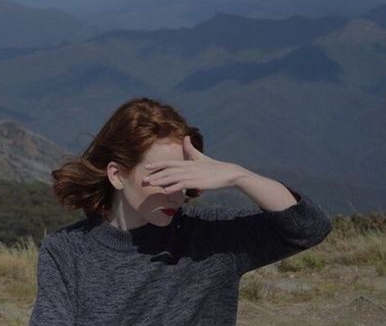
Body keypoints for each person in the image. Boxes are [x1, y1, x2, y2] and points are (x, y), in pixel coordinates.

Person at [29, 97, 332, 325]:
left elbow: (310, 228)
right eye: (163, 177)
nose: (177, 193)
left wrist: (240, 177)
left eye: (184, 177)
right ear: (117, 175)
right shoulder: (67, 252)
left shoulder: (213, 239)